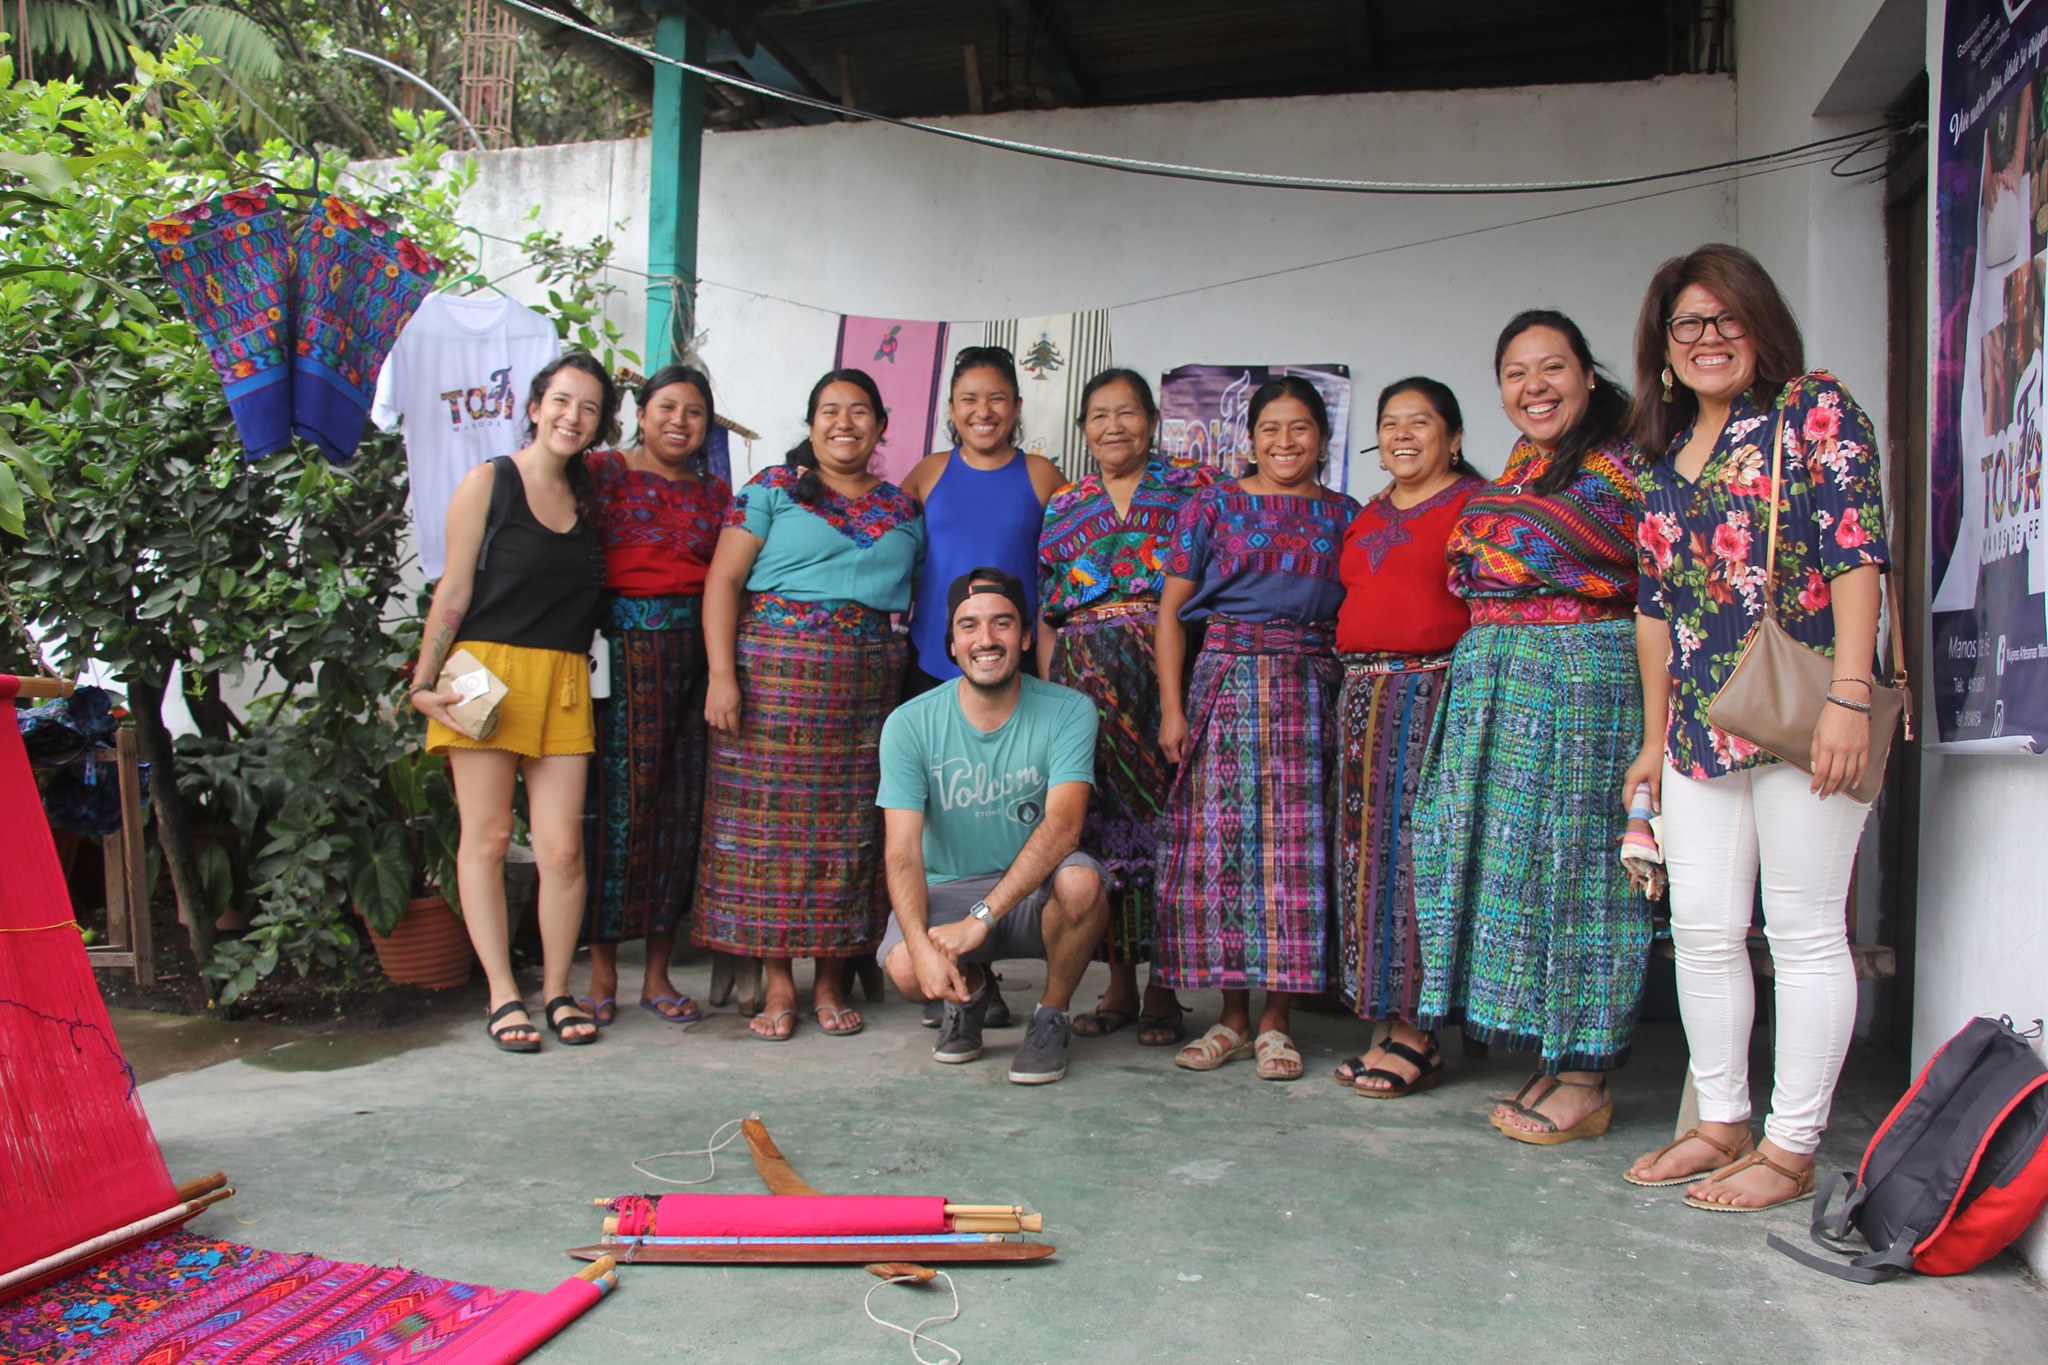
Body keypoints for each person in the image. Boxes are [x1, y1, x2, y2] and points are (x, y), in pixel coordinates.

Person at [1620, 244, 1891, 1211]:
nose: (1708, 339)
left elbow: (1858, 557)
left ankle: (1791, 1146)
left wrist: (1851, 697)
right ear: (1663, 345)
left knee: (1807, 932)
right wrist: (1654, 740)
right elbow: (1655, 606)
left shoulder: (1814, 410)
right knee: (1700, 931)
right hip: (1698, 728)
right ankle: (1721, 1122)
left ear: (1761, 324)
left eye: (1726, 318)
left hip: (1804, 712)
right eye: (1687, 324)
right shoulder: (1658, 454)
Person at [1412, 311, 1647, 1141]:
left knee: (1580, 864)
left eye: (1552, 368)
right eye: (1516, 372)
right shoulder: (1524, 465)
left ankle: (1586, 1071)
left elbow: (1648, 576)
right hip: (1500, 678)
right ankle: (1553, 1050)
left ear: (1588, 375)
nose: (1534, 386)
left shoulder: (1628, 462)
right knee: (1508, 864)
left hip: (1585, 676)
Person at [695, 369, 924, 1040]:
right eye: (829, 410)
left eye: (858, 412)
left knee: (847, 837)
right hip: (768, 682)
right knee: (768, 837)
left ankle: (829, 980)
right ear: (811, 421)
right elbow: (723, 580)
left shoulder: (902, 507)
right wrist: (720, 674)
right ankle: (776, 987)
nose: (843, 422)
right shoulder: (769, 489)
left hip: (864, 692)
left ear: (881, 426)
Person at [1153, 377, 1361, 1081]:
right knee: (1226, 850)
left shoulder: (1345, 514)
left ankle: (1278, 1022)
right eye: (1270, 428)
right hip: (1227, 682)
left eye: (1300, 427)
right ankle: (1232, 1018)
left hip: (1310, 689)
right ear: (1249, 437)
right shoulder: (1212, 504)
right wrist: (1174, 708)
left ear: (1323, 438)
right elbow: (1171, 613)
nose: (1284, 442)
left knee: (1294, 859)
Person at [410, 352, 615, 1052]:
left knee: (562, 850)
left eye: (588, 407)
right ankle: (502, 992)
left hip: (562, 680)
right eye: (562, 400)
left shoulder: (592, 497)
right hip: (483, 676)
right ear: (534, 406)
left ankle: (558, 987)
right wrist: (422, 678)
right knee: (489, 838)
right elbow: (454, 592)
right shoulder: (488, 483)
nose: (572, 416)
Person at [1036, 369, 1213, 1047]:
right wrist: (1050, 693)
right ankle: (1117, 981)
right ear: (1084, 429)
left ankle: (1165, 986)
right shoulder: (1065, 503)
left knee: (1169, 826)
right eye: (1100, 415)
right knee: (1098, 828)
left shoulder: (1195, 489)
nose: (1115, 426)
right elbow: (1051, 610)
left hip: (1167, 675)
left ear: (1153, 420)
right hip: (1082, 682)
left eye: (1128, 413)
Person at [878, 568, 1109, 1085]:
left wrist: (981, 918)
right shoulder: (910, 724)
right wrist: (921, 947)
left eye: (1002, 624)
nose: (986, 639)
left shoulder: (1069, 711)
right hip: (949, 892)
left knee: (1082, 881)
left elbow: (1065, 827)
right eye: (969, 626)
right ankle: (974, 993)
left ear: (1025, 637)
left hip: (1034, 890)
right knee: (907, 969)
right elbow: (902, 853)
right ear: (952, 645)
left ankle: (1051, 1016)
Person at [1330, 378, 1487, 1096]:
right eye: (1389, 422)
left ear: (1452, 436)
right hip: (1363, 695)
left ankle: (1421, 1029)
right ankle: (1385, 1017)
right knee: (1367, 860)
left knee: (1423, 859)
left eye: (1419, 422)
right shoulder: (1369, 512)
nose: (1402, 434)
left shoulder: (1474, 508)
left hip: (1435, 692)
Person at [577, 365, 730, 1027]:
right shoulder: (600, 472)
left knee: (678, 813)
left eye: (694, 412)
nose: (679, 421)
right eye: (667, 407)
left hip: (695, 657)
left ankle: (659, 976)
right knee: (617, 814)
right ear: (641, 413)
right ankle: (603, 973)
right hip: (620, 657)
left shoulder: (718, 492)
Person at [900, 346, 1066, 694]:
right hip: (931, 654)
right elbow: (887, 544)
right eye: (969, 399)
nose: (983, 411)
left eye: (997, 399)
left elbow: (1069, 569)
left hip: (1014, 658)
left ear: (1017, 406)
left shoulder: (1044, 476)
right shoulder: (928, 472)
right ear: (952, 408)